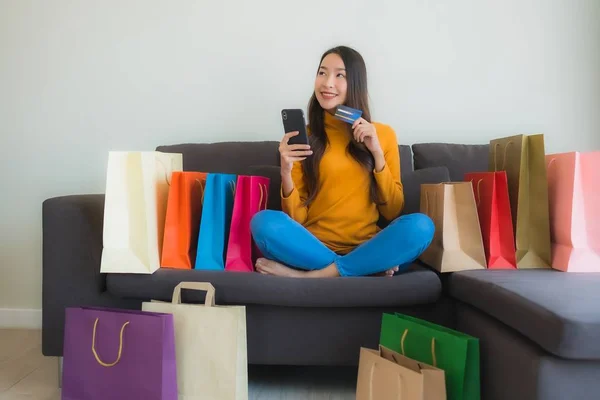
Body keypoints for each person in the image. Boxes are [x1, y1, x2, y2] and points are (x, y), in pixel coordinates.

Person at [250, 45, 434, 278]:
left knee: (421, 227)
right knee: (264, 223)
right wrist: (285, 172)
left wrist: (377, 154)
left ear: (356, 83)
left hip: (368, 245)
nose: (327, 83)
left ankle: (311, 276)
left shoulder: (383, 135)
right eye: (322, 73)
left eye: (340, 75)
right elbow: (298, 219)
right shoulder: (304, 137)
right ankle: (361, 269)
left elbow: (393, 210)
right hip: (313, 248)